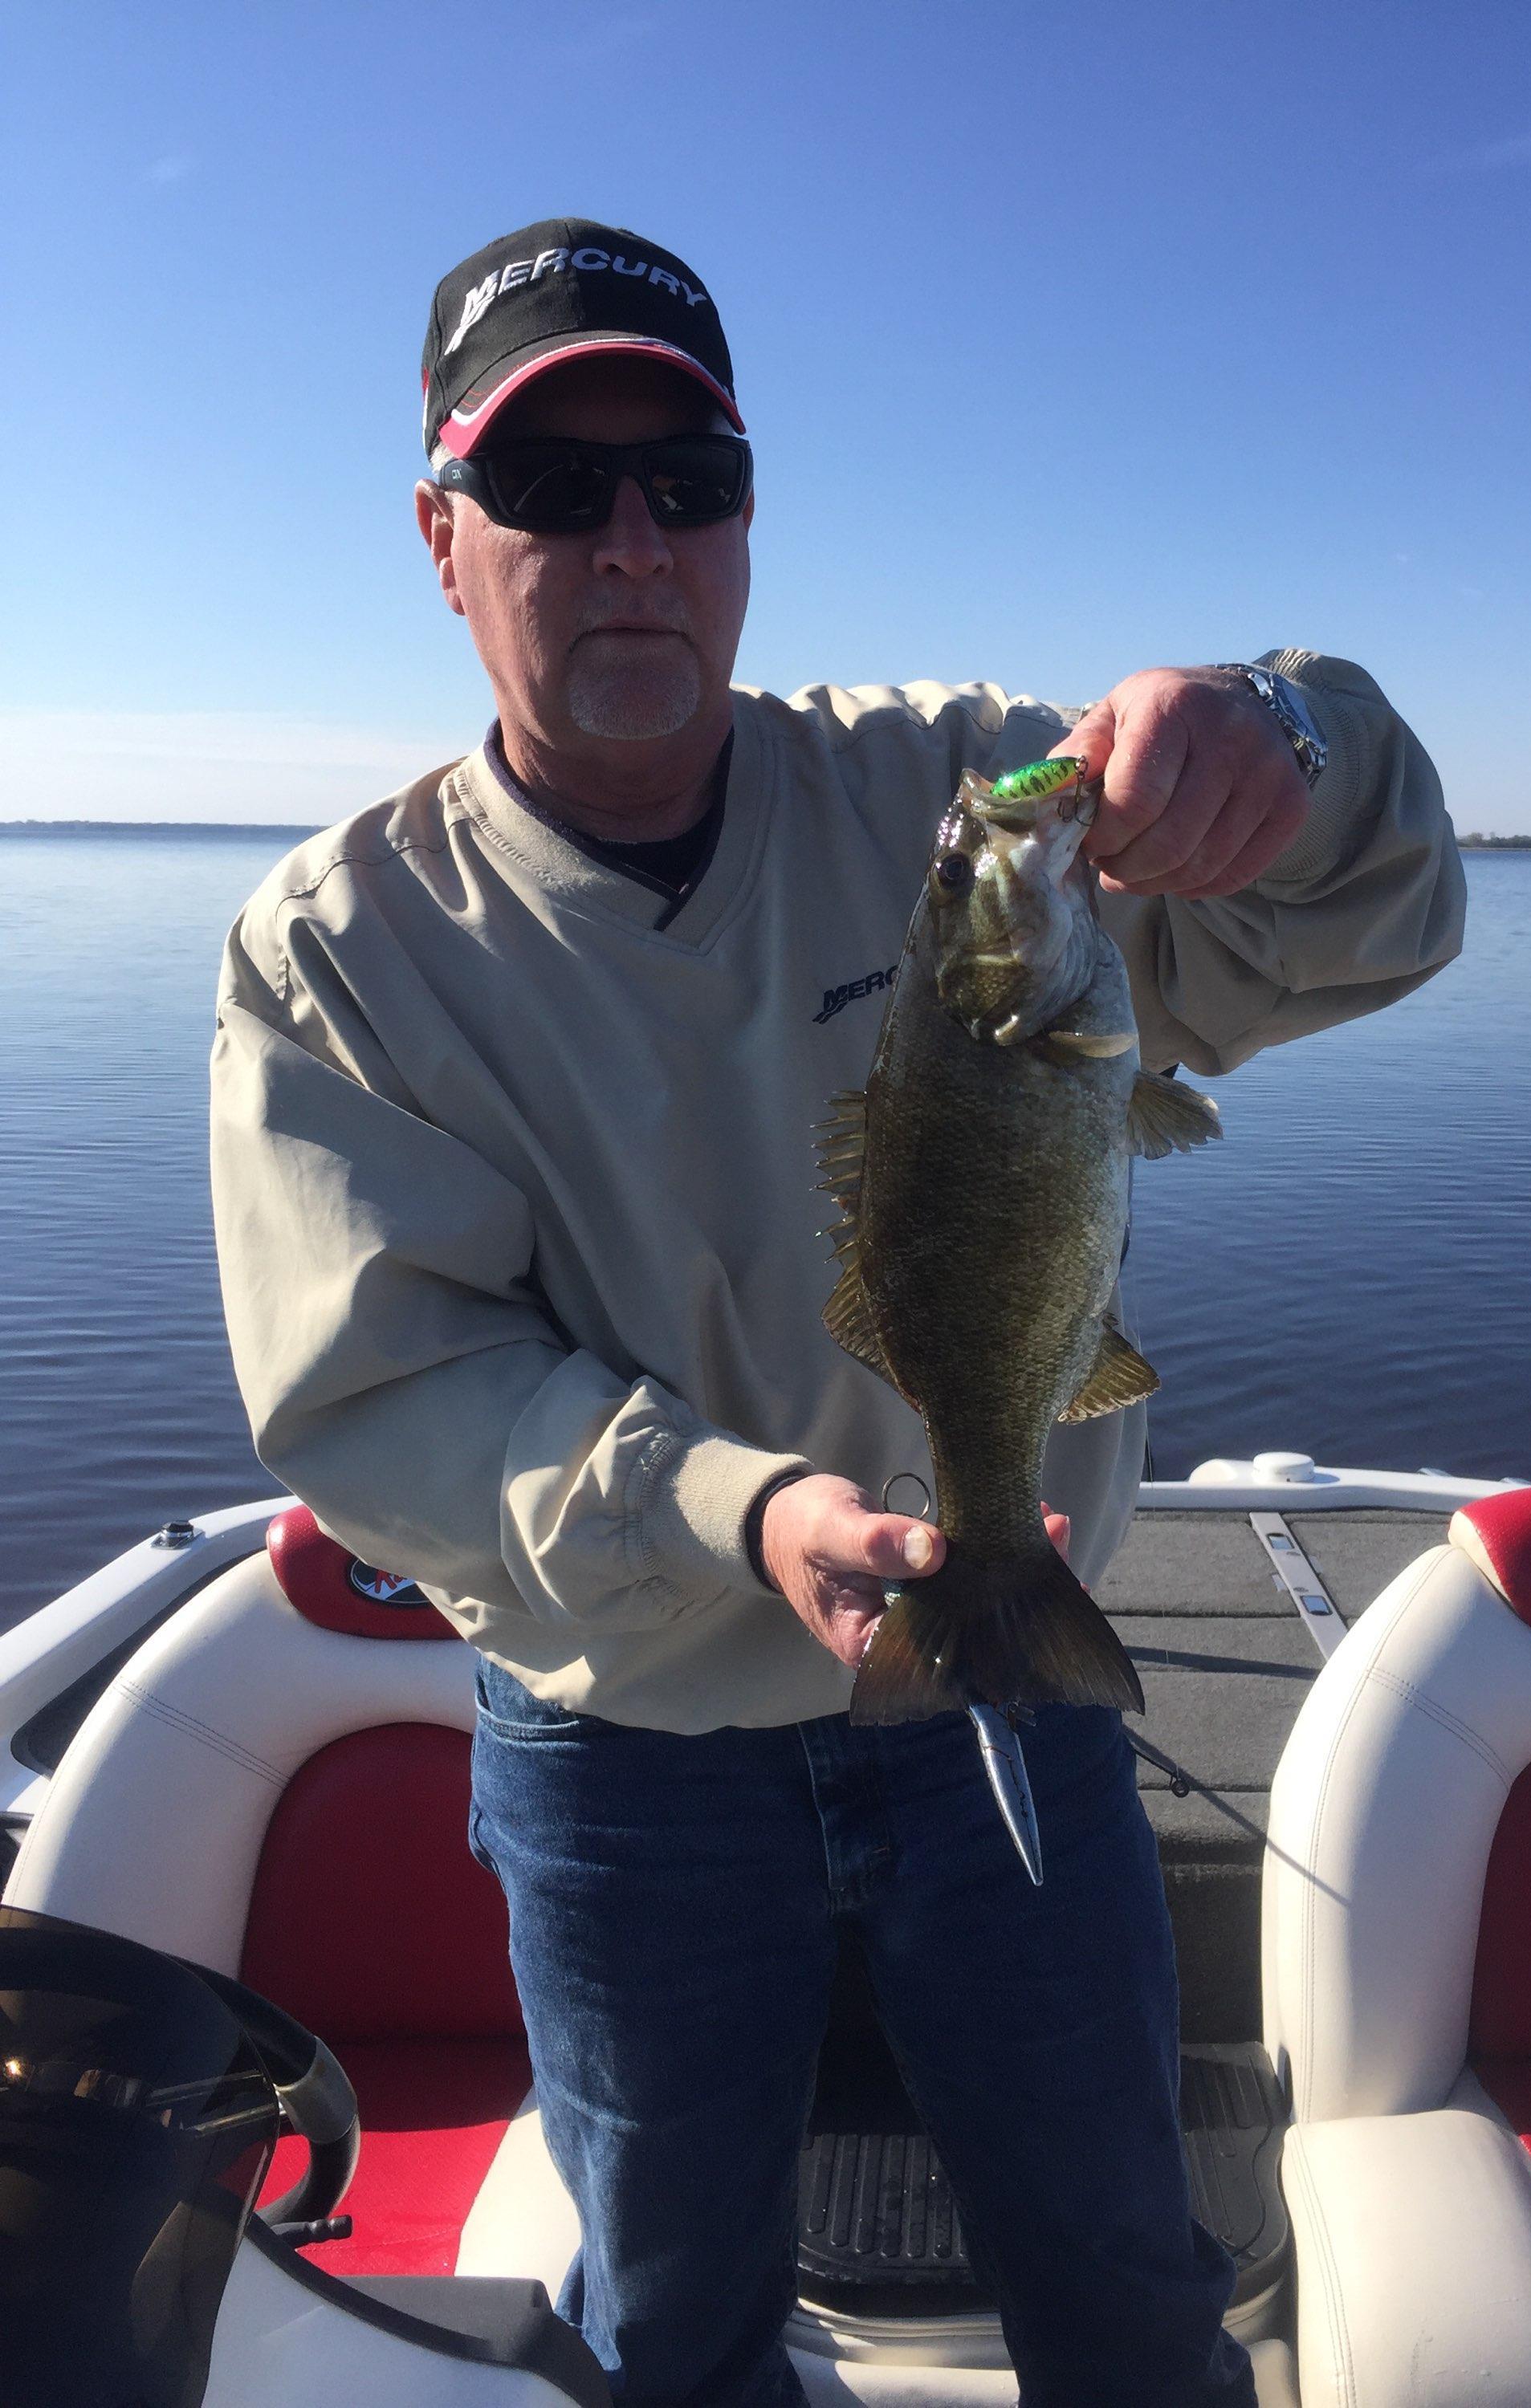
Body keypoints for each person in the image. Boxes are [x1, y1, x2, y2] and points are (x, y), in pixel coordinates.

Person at [210, 218, 1465, 2407]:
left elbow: (1366, 919)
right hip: (621, 1740)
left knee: (1116, 2259)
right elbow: (389, 1396)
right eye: (550, 486)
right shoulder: (341, 949)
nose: (630, 545)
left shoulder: (959, 800)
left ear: (748, 519)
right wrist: (742, 1510)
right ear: (440, 536)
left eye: (687, 484)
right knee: (674, 2303)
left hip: (1004, 1682)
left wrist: (1276, 737)